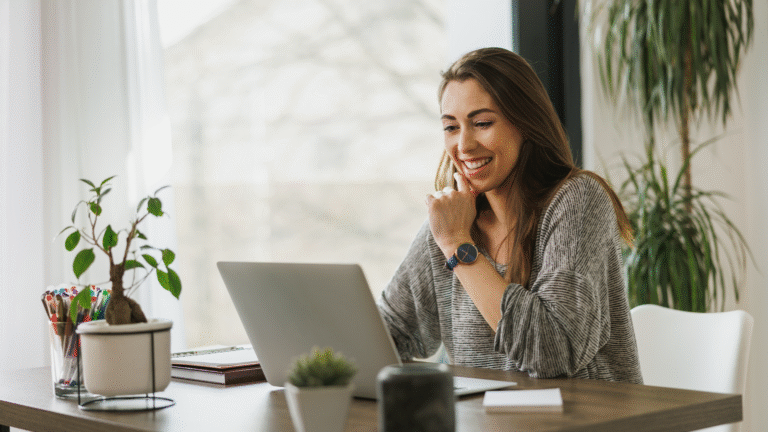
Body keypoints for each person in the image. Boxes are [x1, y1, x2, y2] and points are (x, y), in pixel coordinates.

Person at [377, 47, 643, 383]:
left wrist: (459, 245)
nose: (464, 145)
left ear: (526, 123)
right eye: (451, 127)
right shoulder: (453, 221)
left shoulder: (577, 200)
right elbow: (388, 333)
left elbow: (552, 352)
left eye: (482, 123)